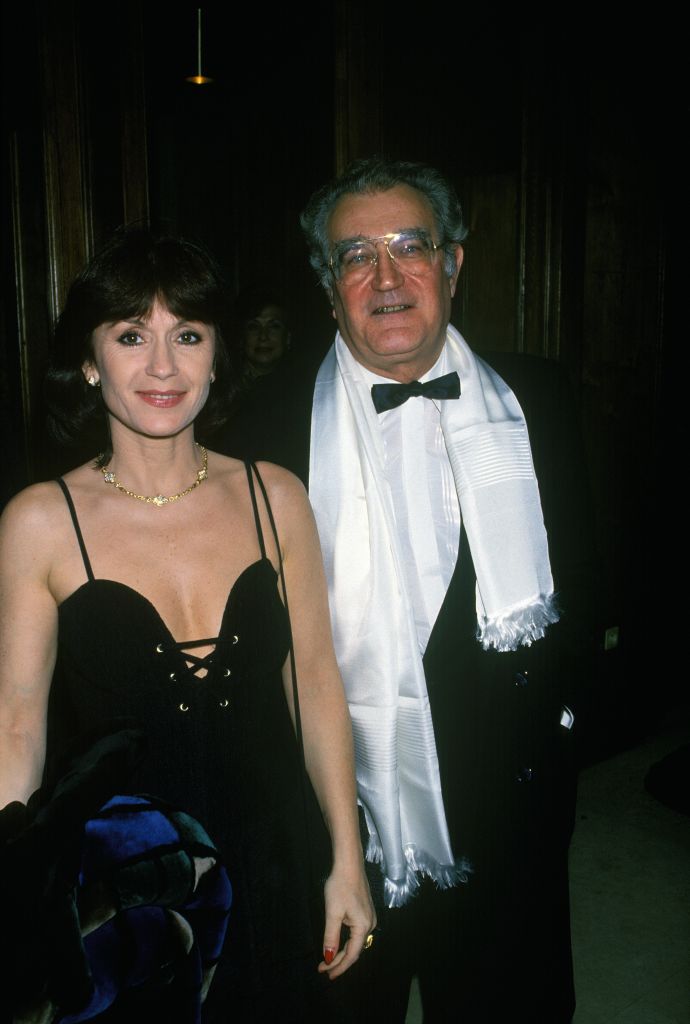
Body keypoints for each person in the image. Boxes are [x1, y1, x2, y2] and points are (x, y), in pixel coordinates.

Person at [222, 157, 598, 1022]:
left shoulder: (538, 398)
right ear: (329, 287)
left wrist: (561, 747)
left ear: (454, 263)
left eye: (409, 246)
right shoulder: (262, 432)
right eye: (356, 255)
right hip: (343, 821)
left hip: (513, 809)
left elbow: (581, 594)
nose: (386, 276)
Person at [0, 227, 375, 1023]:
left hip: (279, 851)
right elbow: (15, 727)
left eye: (189, 335)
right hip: (134, 876)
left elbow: (314, 683)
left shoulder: (278, 497)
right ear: (91, 360)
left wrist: (346, 859)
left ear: (216, 357)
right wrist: (11, 889)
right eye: (132, 335)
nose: (163, 365)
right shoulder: (40, 521)